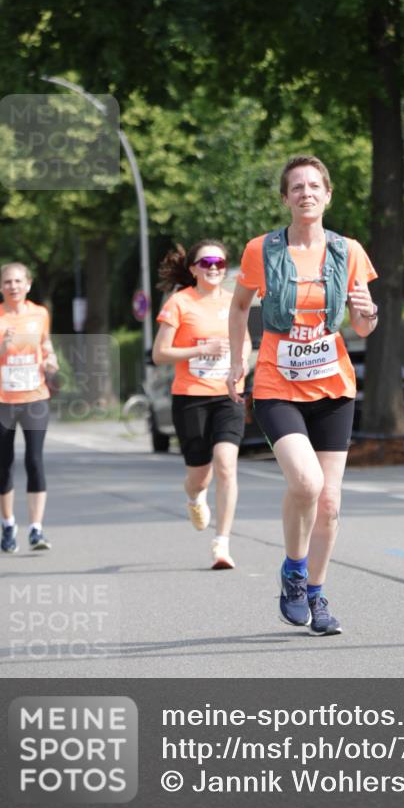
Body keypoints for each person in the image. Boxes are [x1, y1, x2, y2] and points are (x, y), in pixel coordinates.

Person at [228, 155, 378, 635]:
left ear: (328, 195)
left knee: (330, 502)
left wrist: (367, 312)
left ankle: (317, 595)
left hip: (333, 385)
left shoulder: (348, 251)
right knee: (307, 484)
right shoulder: (262, 250)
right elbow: (238, 306)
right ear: (285, 198)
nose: (306, 193)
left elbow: (361, 327)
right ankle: (293, 571)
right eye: (297, 187)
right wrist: (239, 359)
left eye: (315, 186)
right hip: (277, 384)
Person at [153, 240, 251, 569]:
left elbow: (245, 340)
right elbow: (160, 354)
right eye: (206, 262)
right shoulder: (179, 303)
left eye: (220, 263)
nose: (214, 268)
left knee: (226, 464)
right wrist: (200, 350)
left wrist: (243, 365)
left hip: (228, 394)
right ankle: (194, 497)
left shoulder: (234, 301)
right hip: (190, 396)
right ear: (193, 268)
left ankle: (221, 543)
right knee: (200, 476)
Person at [0, 262, 58, 553]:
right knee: (5, 465)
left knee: (35, 460)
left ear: (28, 285)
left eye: (18, 281)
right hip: (1, 402)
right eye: (8, 282)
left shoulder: (39, 314)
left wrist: (50, 360)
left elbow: (46, 345)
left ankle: (36, 529)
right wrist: (0, 350)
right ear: (1, 287)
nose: (13, 286)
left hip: (34, 398)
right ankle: (8, 524)